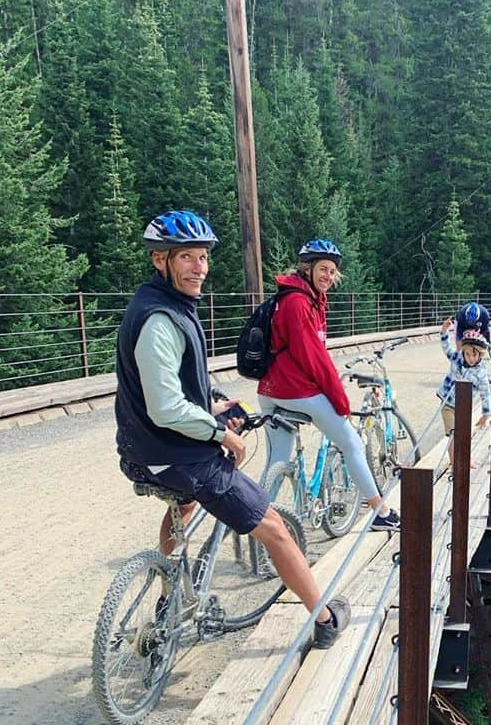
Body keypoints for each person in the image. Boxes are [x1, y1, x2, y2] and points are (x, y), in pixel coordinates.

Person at [115, 211, 349, 648]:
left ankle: (168, 598)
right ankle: (325, 617)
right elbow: (166, 408)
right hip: (177, 454)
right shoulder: (160, 322)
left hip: (144, 452)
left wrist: (215, 403)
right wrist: (221, 433)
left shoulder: (160, 306)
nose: (199, 267)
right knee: (275, 527)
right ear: (160, 260)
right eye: (187, 257)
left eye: (203, 257)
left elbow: (179, 383)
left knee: (182, 509)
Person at [257, 238, 400, 531]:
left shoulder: (301, 298)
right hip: (295, 391)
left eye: (332, 271)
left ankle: (259, 524)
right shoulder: (298, 303)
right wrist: (340, 401)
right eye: (323, 269)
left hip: (270, 390)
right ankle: (380, 513)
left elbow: (312, 354)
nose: (328, 276)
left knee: (276, 463)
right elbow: (314, 359)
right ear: (307, 269)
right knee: (352, 442)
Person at [438, 318, 491, 461]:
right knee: (453, 434)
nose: (471, 358)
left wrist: (486, 414)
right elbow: (446, 348)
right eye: (467, 354)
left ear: (480, 354)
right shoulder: (457, 358)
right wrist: (444, 331)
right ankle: (454, 463)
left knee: (464, 434)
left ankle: (466, 460)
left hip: (464, 407)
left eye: (474, 355)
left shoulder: (481, 373)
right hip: (448, 404)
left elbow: (485, 393)